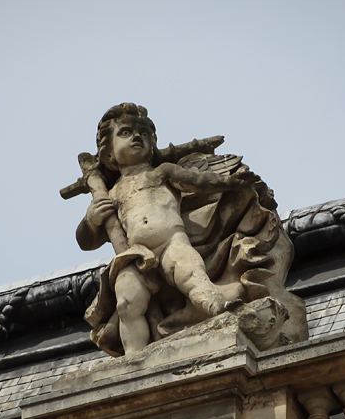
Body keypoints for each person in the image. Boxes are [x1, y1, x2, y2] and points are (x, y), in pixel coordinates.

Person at [76, 103, 254, 353]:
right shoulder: (112, 194)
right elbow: (85, 241)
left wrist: (229, 182)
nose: (137, 136)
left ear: (152, 145)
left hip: (172, 242)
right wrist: (92, 219)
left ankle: (220, 310)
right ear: (108, 155)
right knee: (127, 301)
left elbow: (199, 181)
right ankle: (134, 358)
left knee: (192, 275)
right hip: (133, 255)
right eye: (125, 133)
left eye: (144, 133)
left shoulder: (162, 173)